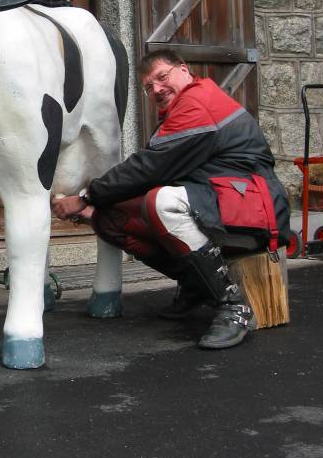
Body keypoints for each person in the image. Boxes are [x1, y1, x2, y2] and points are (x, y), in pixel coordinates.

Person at [52, 49, 290, 350]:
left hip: (256, 209)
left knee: (163, 202)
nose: (157, 89)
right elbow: (154, 172)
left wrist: (87, 196)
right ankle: (195, 284)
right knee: (109, 218)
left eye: (162, 77)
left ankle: (233, 307)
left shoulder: (198, 102)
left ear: (184, 70)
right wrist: (96, 209)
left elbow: (149, 168)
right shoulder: (179, 111)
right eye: (149, 87)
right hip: (224, 203)